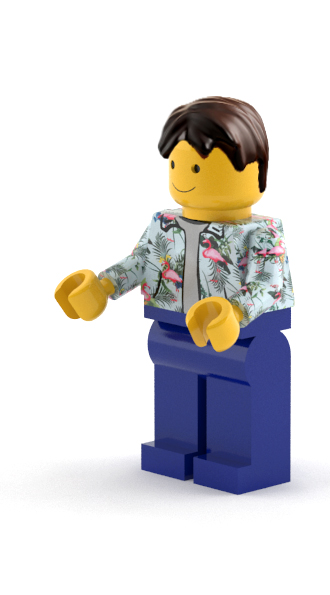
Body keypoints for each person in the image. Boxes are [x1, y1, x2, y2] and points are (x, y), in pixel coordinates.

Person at [55, 97, 295, 494]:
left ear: (254, 170)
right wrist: (102, 286)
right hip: (171, 326)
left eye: (197, 167)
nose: (183, 176)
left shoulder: (261, 233)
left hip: (241, 336)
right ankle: (176, 445)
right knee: (175, 381)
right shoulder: (164, 224)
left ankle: (241, 457)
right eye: (175, 165)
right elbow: (141, 261)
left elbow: (269, 284)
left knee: (237, 386)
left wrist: (235, 312)